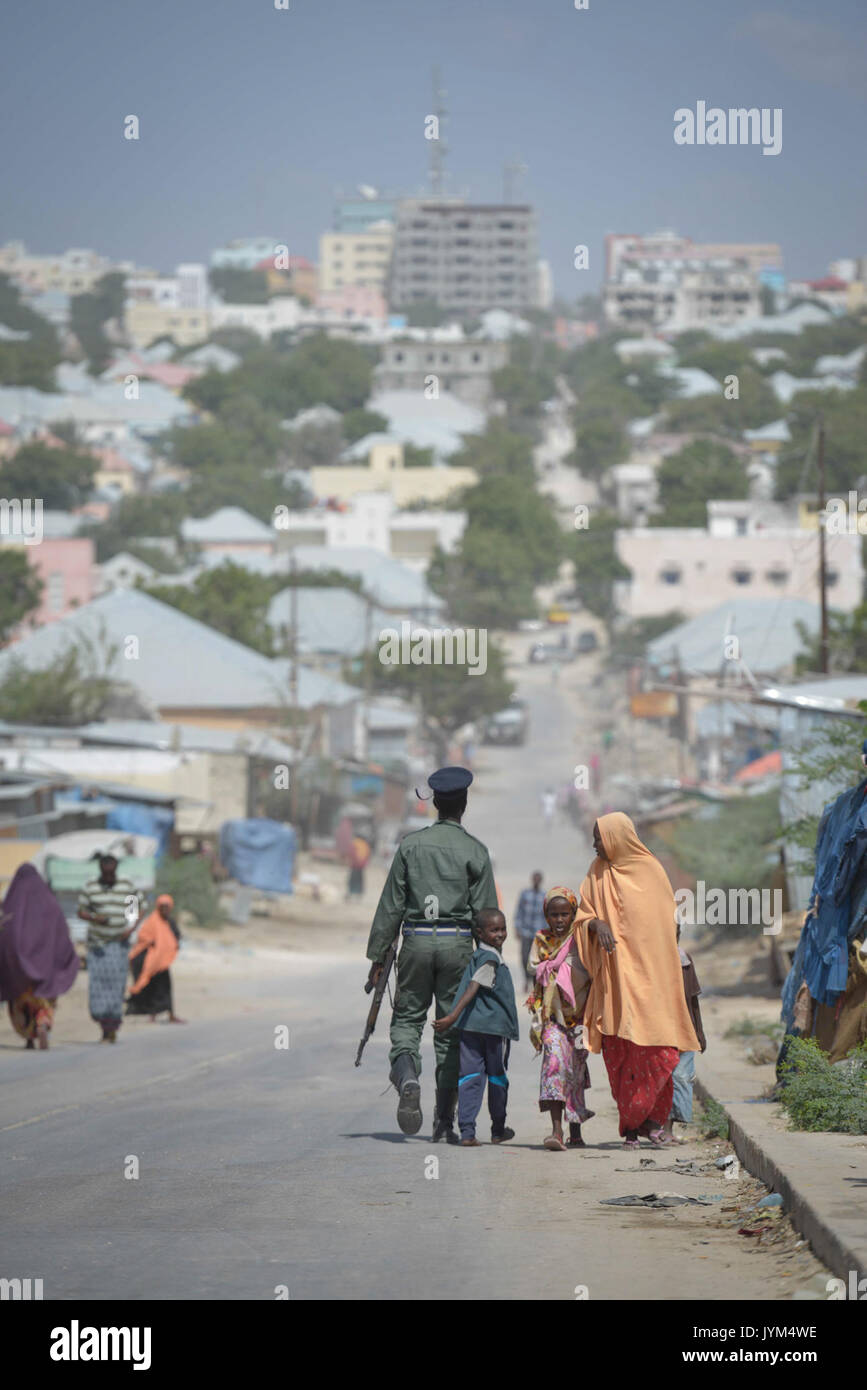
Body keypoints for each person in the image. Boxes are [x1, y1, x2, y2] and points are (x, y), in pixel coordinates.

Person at [366, 766, 498, 1142]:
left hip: (416, 942)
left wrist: (378, 958)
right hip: (458, 945)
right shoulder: (476, 850)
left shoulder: (410, 846)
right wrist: (489, 963)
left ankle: (407, 1074)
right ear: (464, 803)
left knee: (407, 1020)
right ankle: (444, 1121)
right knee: (450, 1030)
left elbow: (391, 906)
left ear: (435, 804)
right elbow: (486, 917)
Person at [573, 814, 700, 1148]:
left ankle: (655, 1123)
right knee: (622, 1055)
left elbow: (670, 927)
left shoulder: (653, 871)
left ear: (617, 838)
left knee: (659, 1052)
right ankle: (631, 1126)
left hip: (654, 983)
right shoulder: (595, 872)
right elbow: (582, 917)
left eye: (599, 838)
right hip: (615, 983)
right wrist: (595, 924)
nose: (594, 845)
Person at [433, 907, 518, 1146]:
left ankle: (467, 1132)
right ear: (479, 933)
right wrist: (452, 1016)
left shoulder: (479, 954)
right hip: (493, 1030)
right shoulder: (490, 958)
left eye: (503, 929)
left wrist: (456, 1019)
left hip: (470, 1029)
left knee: (469, 1077)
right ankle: (498, 1129)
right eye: (494, 930)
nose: (500, 934)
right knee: (497, 1078)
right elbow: (474, 986)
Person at [526, 886, 594, 1151]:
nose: (559, 920)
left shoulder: (581, 941)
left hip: (580, 1021)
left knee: (575, 1073)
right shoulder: (541, 940)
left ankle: (576, 1131)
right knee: (554, 1065)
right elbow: (534, 967)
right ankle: (556, 1131)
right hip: (553, 1018)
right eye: (553, 914)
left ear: (573, 914)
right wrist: (549, 968)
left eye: (565, 914)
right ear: (546, 915)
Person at [0, 864, 79, 1050]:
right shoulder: (50, 904)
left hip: (19, 972)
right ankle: (43, 1023)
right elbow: (62, 935)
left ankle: (28, 1036)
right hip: (45, 970)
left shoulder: (11, 906)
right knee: (45, 999)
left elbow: (4, 936)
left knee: (20, 1001)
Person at [77, 853, 139, 1043]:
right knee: (98, 985)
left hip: (118, 944)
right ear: (100, 869)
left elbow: (135, 910)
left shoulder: (127, 886)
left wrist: (130, 929)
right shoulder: (90, 887)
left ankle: (111, 1027)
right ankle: (102, 1021)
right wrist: (96, 918)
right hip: (98, 945)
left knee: (116, 985)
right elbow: (81, 911)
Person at [662, 924, 707, 1142]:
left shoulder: (684, 960)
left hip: (685, 1029)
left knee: (679, 1077)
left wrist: (699, 1031)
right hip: (660, 1032)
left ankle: (668, 1129)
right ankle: (659, 1128)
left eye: (675, 933)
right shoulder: (652, 963)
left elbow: (693, 998)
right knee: (663, 1080)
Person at [126, 894, 185, 1023]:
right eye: (162, 907)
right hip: (150, 961)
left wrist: (168, 946)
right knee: (151, 987)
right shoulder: (152, 921)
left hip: (162, 962)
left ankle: (171, 1014)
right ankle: (152, 1014)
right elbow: (143, 938)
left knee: (166, 987)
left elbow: (176, 937)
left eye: (167, 907)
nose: (164, 909)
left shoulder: (170, 922)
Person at [514, 871, 546, 988]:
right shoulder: (525, 894)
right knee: (524, 956)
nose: (536, 881)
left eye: (538, 879)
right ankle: (526, 978)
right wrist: (517, 927)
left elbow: (546, 916)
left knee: (537, 958)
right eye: (535, 879)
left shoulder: (544, 895)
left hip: (539, 933)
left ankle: (533, 980)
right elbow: (519, 911)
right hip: (525, 931)